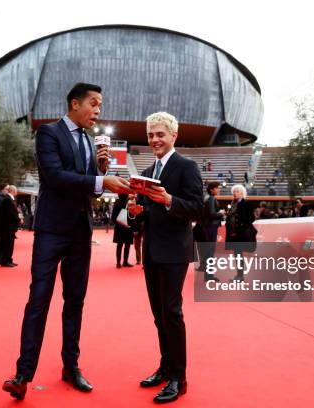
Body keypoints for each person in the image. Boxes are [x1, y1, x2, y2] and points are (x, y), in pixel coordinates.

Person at [2, 83, 131, 400]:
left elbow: (91, 190)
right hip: (51, 230)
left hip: (79, 232)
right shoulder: (48, 133)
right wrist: (101, 179)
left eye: (101, 106)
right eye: (94, 104)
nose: (98, 111)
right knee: (39, 299)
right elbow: (56, 177)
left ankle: (70, 367)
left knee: (75, 302)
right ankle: (23, 373)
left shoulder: (90, 142)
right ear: (75, 103)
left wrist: (101, 169)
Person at [128, 112, 203, 404]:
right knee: (159, 315)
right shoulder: (148, 170)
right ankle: (165, 366)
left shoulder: (187, 167)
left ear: (174, 136)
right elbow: (148, 214)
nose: (154, 140)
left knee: (172, 313)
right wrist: (137, 213)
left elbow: (197, 208)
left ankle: (178, 377)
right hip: (152, 250)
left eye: (160, 134)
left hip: (174, 251)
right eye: (150, 135)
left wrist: (169, 199)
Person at [225, 184, 255, 281]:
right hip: (233, 233)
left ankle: (240, 276)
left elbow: (251, 218)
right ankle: (239, 275)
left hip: (241, 233)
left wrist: (242, 225)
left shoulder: (246, 203)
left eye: (237, 191)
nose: (234, 193)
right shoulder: (233, 203)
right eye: (234, 191)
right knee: (237, 255)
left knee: (238, 255)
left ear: (242, 193)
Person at [201, 181, 225, 281]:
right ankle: (209, 276)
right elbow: (212, 214)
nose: (219, 189)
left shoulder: (207, 198)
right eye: (217, 188)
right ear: (212, 189)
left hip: (208, 227)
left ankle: (208, 275)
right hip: (211, 228)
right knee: (210, 252)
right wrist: (221, 212)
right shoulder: (210, 199)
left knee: (209, 252)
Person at [0, 185, 20, 267]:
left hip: (9, 226)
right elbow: (11, 213)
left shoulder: (9, 199)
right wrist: (18, 219)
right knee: (7, 244)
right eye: (16, 191)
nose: (17, 192)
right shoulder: (8, 200)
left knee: (10, 244)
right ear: (13, 191)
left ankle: (9, 259)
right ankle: (5, 261)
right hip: (7, 227)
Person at [111, 193, 134, 268]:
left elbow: (113, 218)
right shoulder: (130, 204)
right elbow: (133, 216)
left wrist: (119, 222)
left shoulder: (117, 204)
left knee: (119, 245)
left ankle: (118, 262)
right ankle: (125, 261)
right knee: (127, 245)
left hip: (119, 228)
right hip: (128, 227)